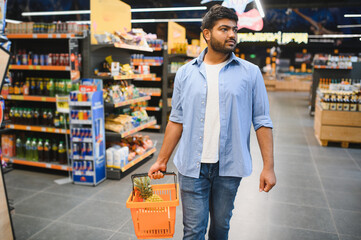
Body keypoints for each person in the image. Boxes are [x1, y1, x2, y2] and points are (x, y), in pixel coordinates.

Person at [148, 5, 276, 240]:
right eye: (224, 29)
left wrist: (268, 167)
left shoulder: (250, 73)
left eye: (234, 29)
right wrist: (162, 160)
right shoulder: (186, 73)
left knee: (220, 228)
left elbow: (262, 121)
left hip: (229, 167)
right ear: (207, 34)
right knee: (193, 231)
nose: (232, 35)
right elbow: (176, 120)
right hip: (191, 166)